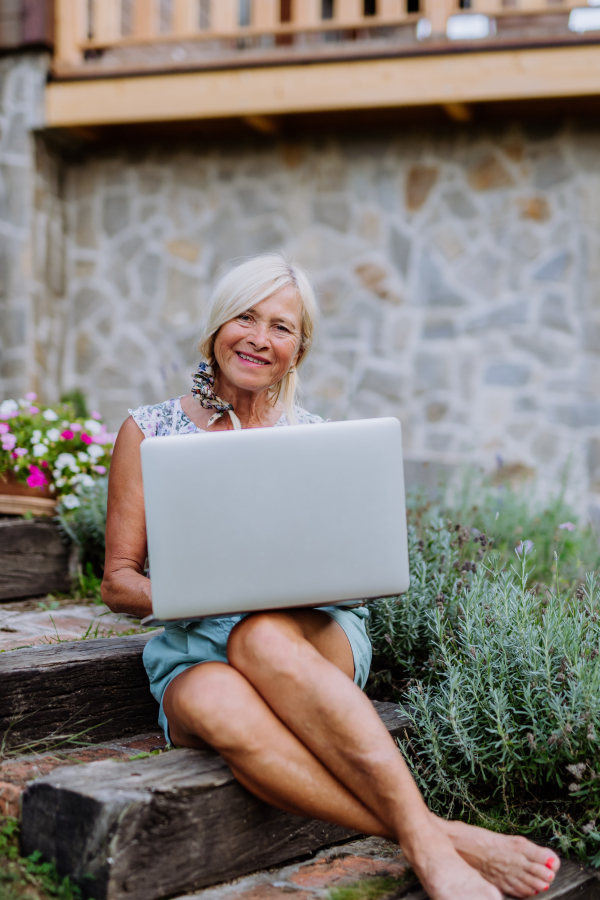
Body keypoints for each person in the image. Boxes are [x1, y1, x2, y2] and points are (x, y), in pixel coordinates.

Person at [102, 254, 560, 900]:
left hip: (309, 632)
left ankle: (429, 845)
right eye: (245, 317)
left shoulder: (312, 438)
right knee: (212, 699)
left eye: (281, 327)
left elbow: (353, 565)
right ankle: (441, 836)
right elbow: (119, 580)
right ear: (216, 327)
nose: (260, 338)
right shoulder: (148, 430)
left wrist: (300, 588)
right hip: (195, 642)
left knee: (259, 636)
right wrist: (202, 596)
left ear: (299, 351)